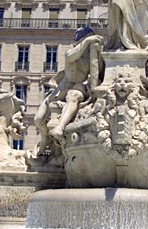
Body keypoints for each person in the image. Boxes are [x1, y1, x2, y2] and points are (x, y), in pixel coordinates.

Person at [34, 27, 103, 156]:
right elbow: (70, 56)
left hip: (77, 86)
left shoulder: (91, 58)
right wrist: (88, 41)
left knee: (73, 96)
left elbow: (99, 73)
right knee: (38, 120)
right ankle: (45, 139)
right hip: (61, 89)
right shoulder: (72, 53)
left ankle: (60, 127)